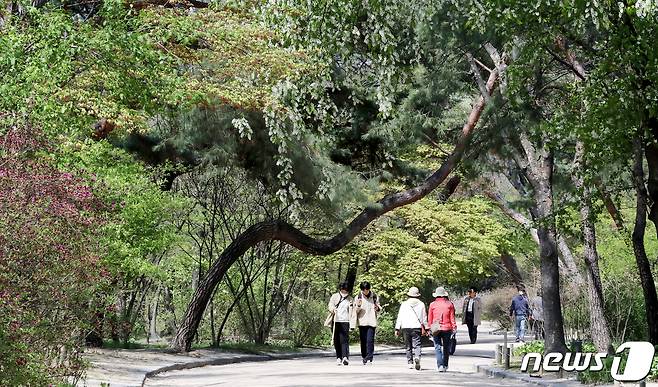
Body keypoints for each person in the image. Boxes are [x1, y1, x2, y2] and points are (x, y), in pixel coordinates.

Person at [395, 286, 427, 370]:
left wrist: (397, 328)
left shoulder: (404, 304)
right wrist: (426, 328)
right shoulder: (421, 304)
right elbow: (424, 317)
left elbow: (400, 316)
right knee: (417, 344)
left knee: (408, 345)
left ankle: (410, 362)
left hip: (405, 326)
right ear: (417, 295)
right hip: (416, 327)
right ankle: (417, 357)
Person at [351, 281, 381, 365]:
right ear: (362, 290)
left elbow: (379, 309)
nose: (365, 292)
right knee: (363, 341)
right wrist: (359, 306)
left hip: (372, 322)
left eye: (367, 290)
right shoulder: (358, 297)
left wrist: (377, 308)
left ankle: (369, 358)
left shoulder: (374, 296)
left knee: (370, 341)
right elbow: (355, 311)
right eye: (364, 290)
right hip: (362, 322)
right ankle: (364, 356)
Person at [427, 286, 456, 372]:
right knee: (446, 347)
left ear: (436, 295)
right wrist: (454, 327)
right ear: (444, 295)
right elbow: (452, 318)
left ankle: (440, 365)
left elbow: (430, 318)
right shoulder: (449, 304)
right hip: (447, 328)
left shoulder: (432, 304)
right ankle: (445, 365)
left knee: (437, 346)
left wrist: (429, 328)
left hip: (436, 328)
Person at [327, 282, 353, 365]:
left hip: (345, 321)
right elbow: (330, 305)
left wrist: (352, 323)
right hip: (336, 321)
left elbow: (352, 311)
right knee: (336, 340)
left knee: (344, 340)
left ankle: (345, 357)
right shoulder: (335, 296)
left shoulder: (350, 299)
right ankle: (338, 357)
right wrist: (333, 309)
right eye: (343, 290)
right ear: (340, 289)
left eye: (346, 290)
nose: (344, 291)